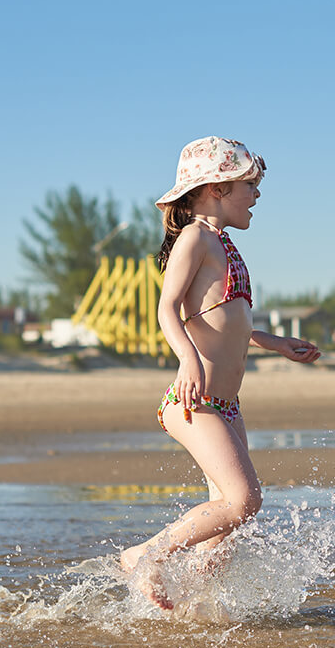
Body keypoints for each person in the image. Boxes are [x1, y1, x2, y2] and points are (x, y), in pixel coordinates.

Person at [120, 136, 321, 609]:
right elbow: (166, 309)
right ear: (215, 189)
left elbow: (228, 321)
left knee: (229, 529)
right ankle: (144, 556)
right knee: (244, 501)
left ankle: (191, 608)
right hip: (194, 402)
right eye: (248, 185)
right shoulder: (195, 238)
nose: (256, 195)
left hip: (225, 406)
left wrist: (275, 343)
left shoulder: (224, 246)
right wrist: (189, 359)